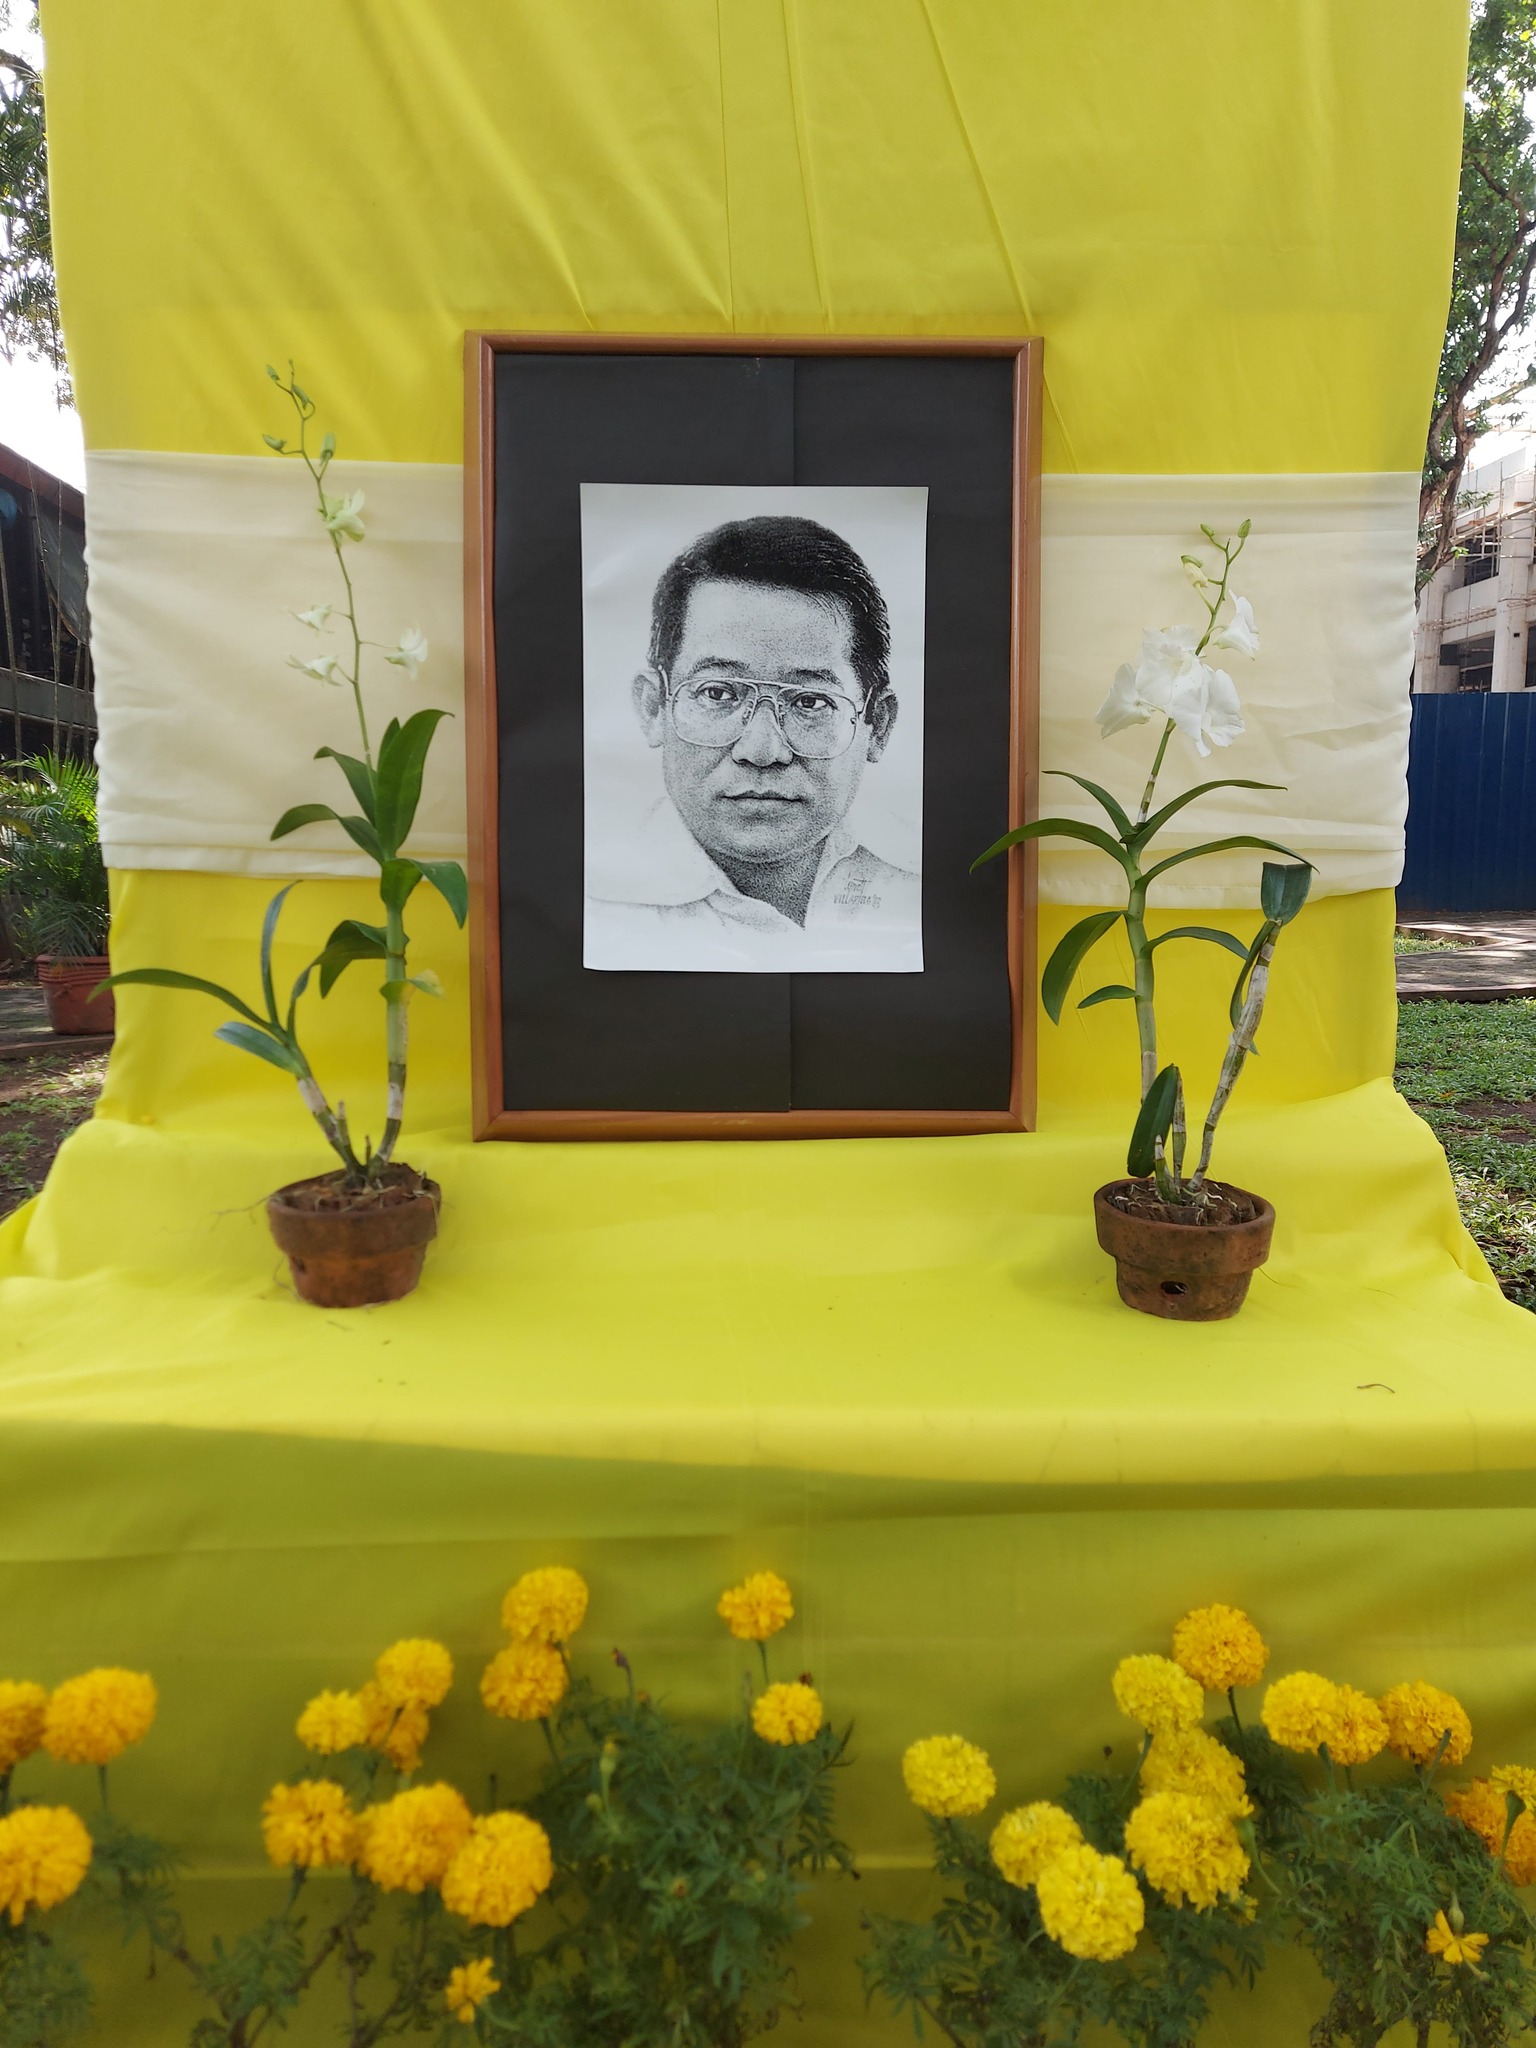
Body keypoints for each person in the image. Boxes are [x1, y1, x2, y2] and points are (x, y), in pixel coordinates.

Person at [584, 513, 922, 972]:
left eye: (810, 701)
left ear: (877, 725)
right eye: (718, 693)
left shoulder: (927, 888)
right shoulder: (592, 905)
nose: (762, 751)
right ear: (654, 709)